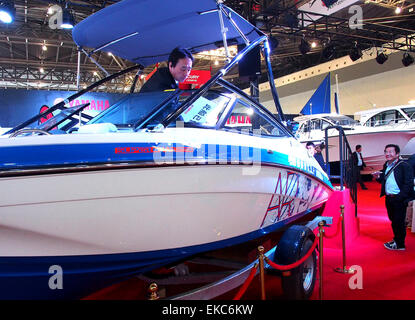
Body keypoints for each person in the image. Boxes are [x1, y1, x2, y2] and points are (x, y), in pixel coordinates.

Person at [372, 144, 414, 251]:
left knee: (398, 221)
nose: (388, 154)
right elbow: (384, 180)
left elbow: (408, 184)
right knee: (394, 220)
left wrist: (400, 197)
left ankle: (400, 245)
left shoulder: (404, 165)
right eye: (386, 151)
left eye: (391, 152)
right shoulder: (387, 164)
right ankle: (396, 240)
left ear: (397, 153)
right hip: (389, 198)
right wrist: (378, 177)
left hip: (398, 199)